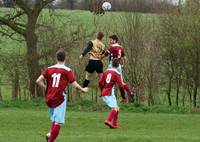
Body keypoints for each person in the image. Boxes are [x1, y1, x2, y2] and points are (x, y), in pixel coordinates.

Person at [36, 48, 88, 142]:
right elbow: (73, 83)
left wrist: (46, 88)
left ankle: (49, 135)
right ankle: (51, 140)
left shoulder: (49, 69)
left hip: (49, 97)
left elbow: (38, 81)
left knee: (54, 119)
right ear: (65, 58)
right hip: (59, 98)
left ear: (56, 58)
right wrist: (82, 89)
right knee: (58, 122)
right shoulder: (67, 70)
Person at [99, 59, 130, 129]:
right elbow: (121, 86)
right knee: (115, 108)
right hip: (109, 92)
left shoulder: (106, 71)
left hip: (105, 91)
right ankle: (108, 120)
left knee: (117, 108)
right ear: (118, 65)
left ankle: (114, 125)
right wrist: (123, 95)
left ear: (111, 64)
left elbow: (100, 82)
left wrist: (102, 90)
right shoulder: (117, 73)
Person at [103, 34, 134, 101]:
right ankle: (130, 92)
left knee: (109, 81)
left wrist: (99, 57)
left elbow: (105, 54)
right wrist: (122, 65)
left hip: (112, 65)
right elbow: (124, 57)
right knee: (121, 82)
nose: (110, 41)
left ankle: (111, 98)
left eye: (111, 40)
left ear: (114, 40)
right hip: (118, 66)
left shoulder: (112, 47)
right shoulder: (121, 47)